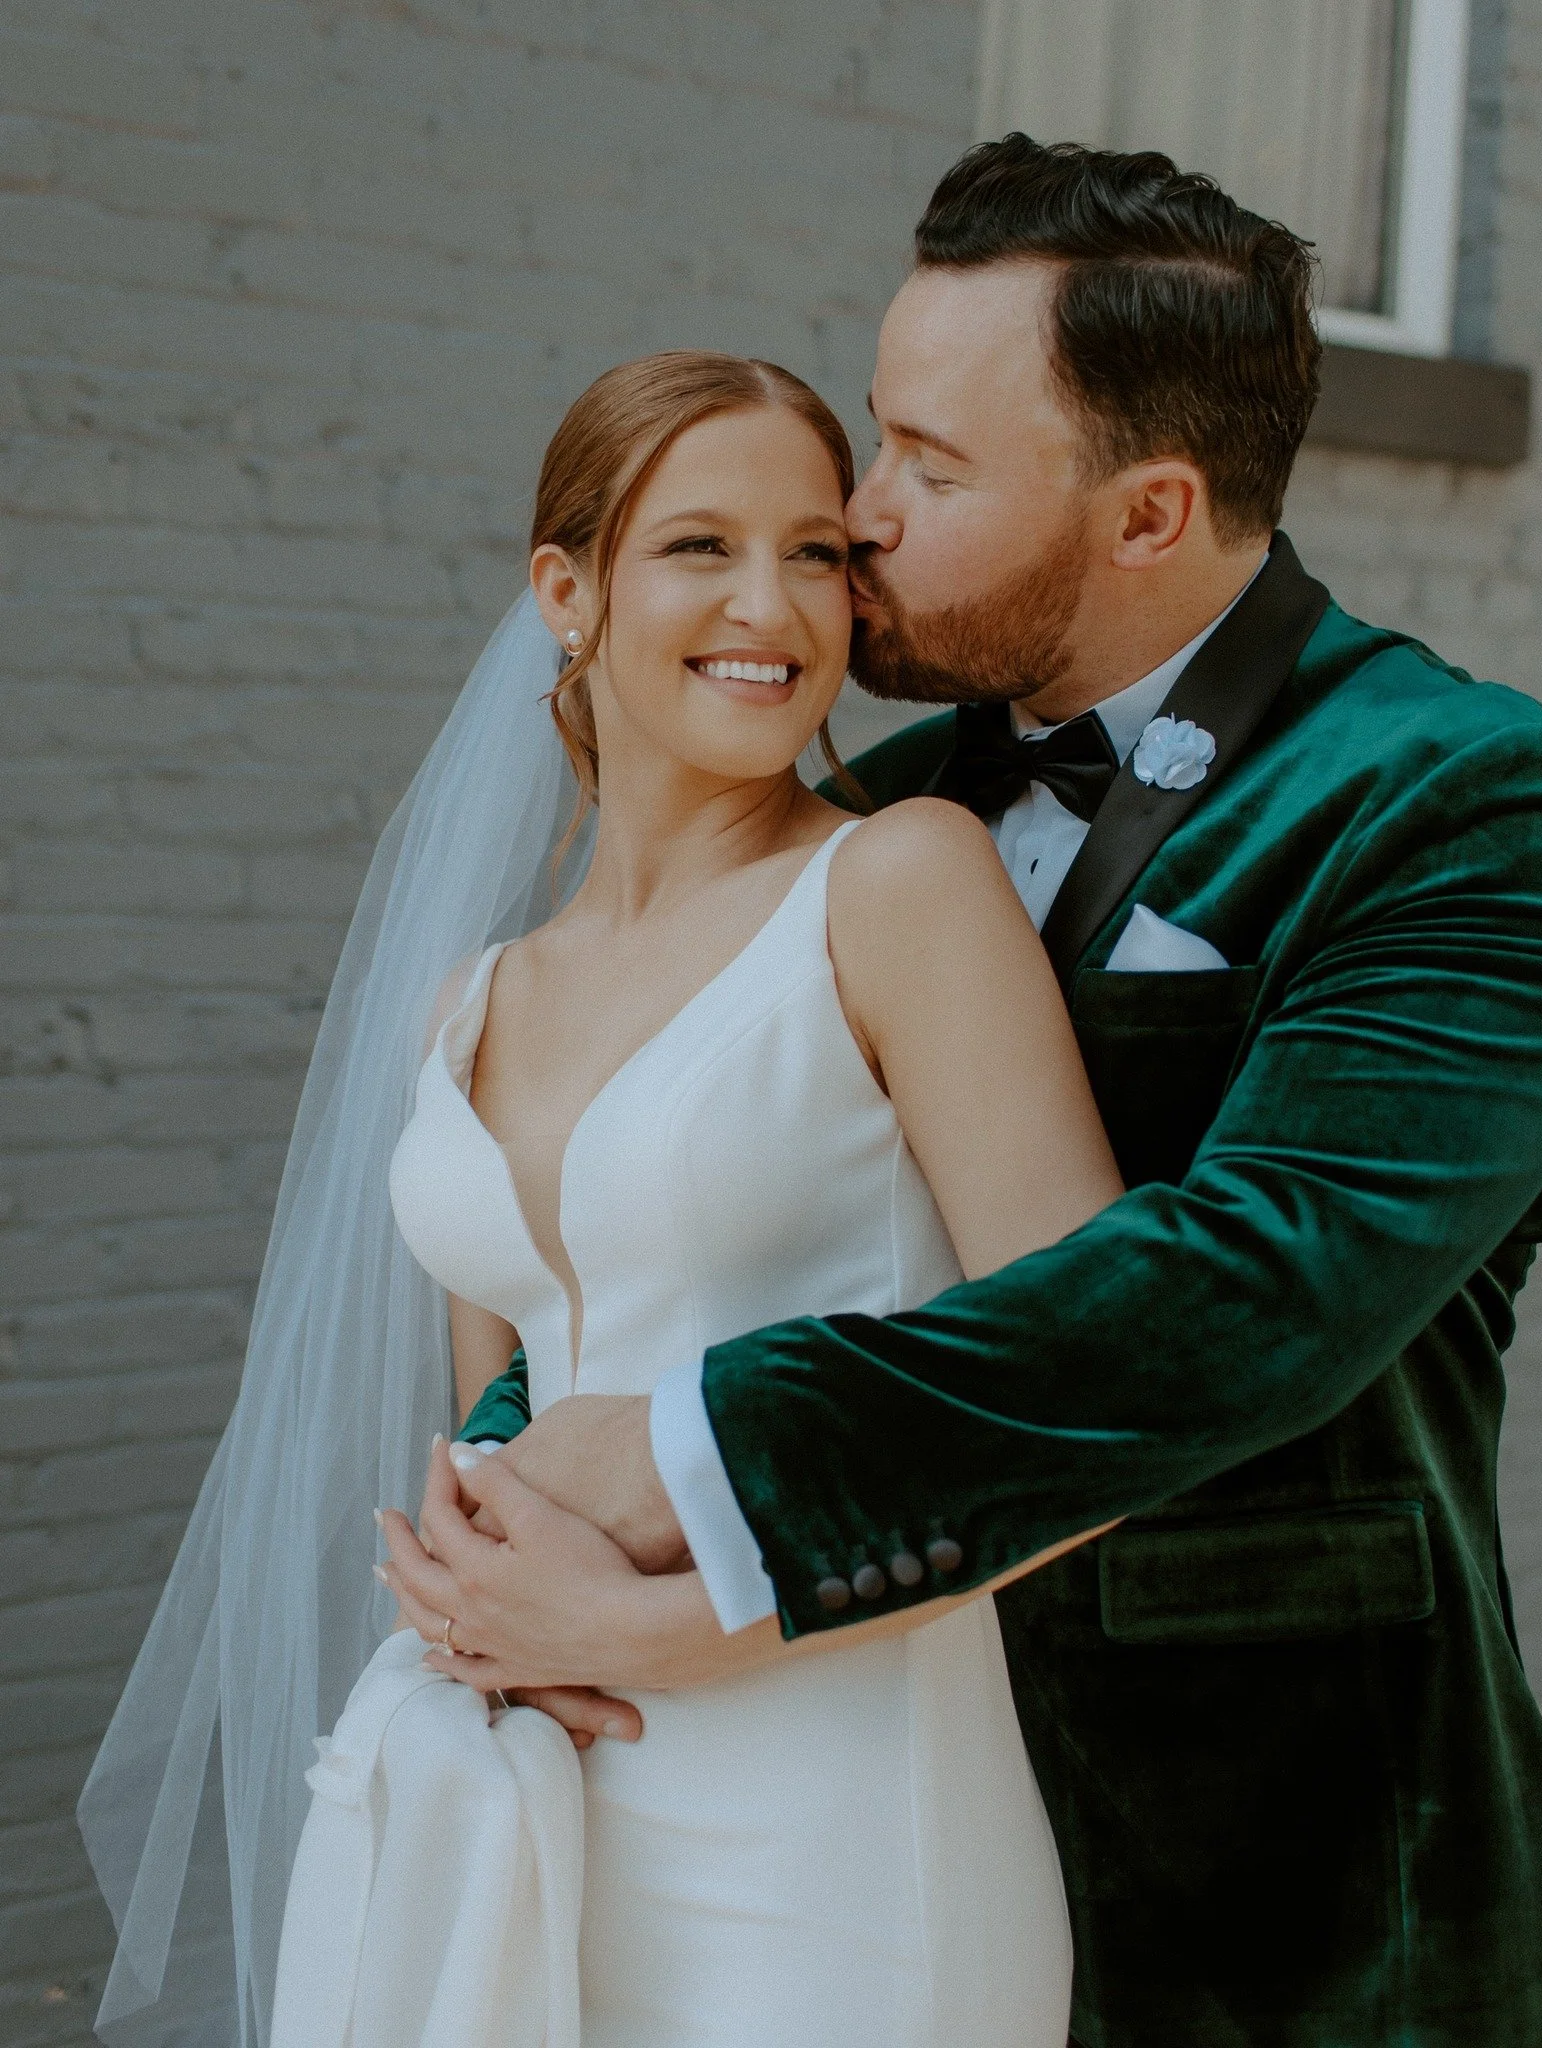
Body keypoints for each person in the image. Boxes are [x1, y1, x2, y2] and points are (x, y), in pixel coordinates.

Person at [383, 139, 1542, 2048]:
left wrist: (687, 1467)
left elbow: (1252, 1285)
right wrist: (515, 1509)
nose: (858, 518)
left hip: (1276, 1879)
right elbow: (643, 1216)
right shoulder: (866, 822)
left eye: (928, 469)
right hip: (808, 1798)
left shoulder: (1464, 801)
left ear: (1147, 516)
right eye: (877, 439)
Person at [83, 346, 1133, 2046]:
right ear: (565, 592)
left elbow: (1100, 1396)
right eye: (698, 546)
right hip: (538, 1802)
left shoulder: (893, 886)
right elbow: (499, 1422)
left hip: (836, 1803)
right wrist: (468, 1592)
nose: (771, 604)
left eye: (813, 550)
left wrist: (702, 1621)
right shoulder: (473, 1000)